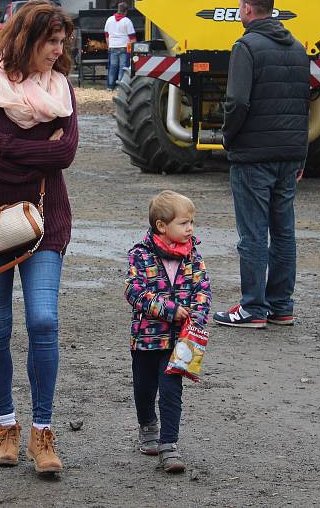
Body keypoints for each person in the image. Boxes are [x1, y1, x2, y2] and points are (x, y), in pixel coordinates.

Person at [0, 0, 78, 474]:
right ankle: (6, 425)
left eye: (62, 41)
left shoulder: (61, 90)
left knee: (44, 321)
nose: (58, 50)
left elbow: (65, 152)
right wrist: (30, 151)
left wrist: (2, 144)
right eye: (51, 41)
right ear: (27, 40)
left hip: (46, 222)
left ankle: (42, 434)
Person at [214, 0, 309, 329]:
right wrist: (302, 155)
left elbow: (237, 101)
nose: (239, 12)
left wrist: (228, 136)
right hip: (289, 155)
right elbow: (303, 106)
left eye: (240, 6)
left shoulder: (246, 46)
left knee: (253, 233)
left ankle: (253, 308)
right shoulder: (298, 49)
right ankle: (281, 305)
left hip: (253, 156)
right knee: (283, 232)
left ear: (249, 9)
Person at [125, 190, 211, 473]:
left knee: (172, 390)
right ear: (162, 226)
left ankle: (169, 445)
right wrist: (167, 309)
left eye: (192, 223)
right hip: (146, 339)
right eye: (184, 223)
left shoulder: (193, 257)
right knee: (144, 387)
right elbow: (134, 291)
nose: (190, 229)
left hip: (181, 341)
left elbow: (203, 291)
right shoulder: (139, 255)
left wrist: (196, 317)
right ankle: (148, 423)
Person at [104, 1, 136, 91]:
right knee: (123, 67)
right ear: (126, 11)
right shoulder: (127, 21)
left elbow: (106, 35)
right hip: (124, 47)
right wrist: (134, 49)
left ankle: (110, 86)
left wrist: (109, 46)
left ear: (118, 9)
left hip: (113, 46)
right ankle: (120, 87)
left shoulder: (109, 20)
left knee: (113, 67)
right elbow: (132, 37)